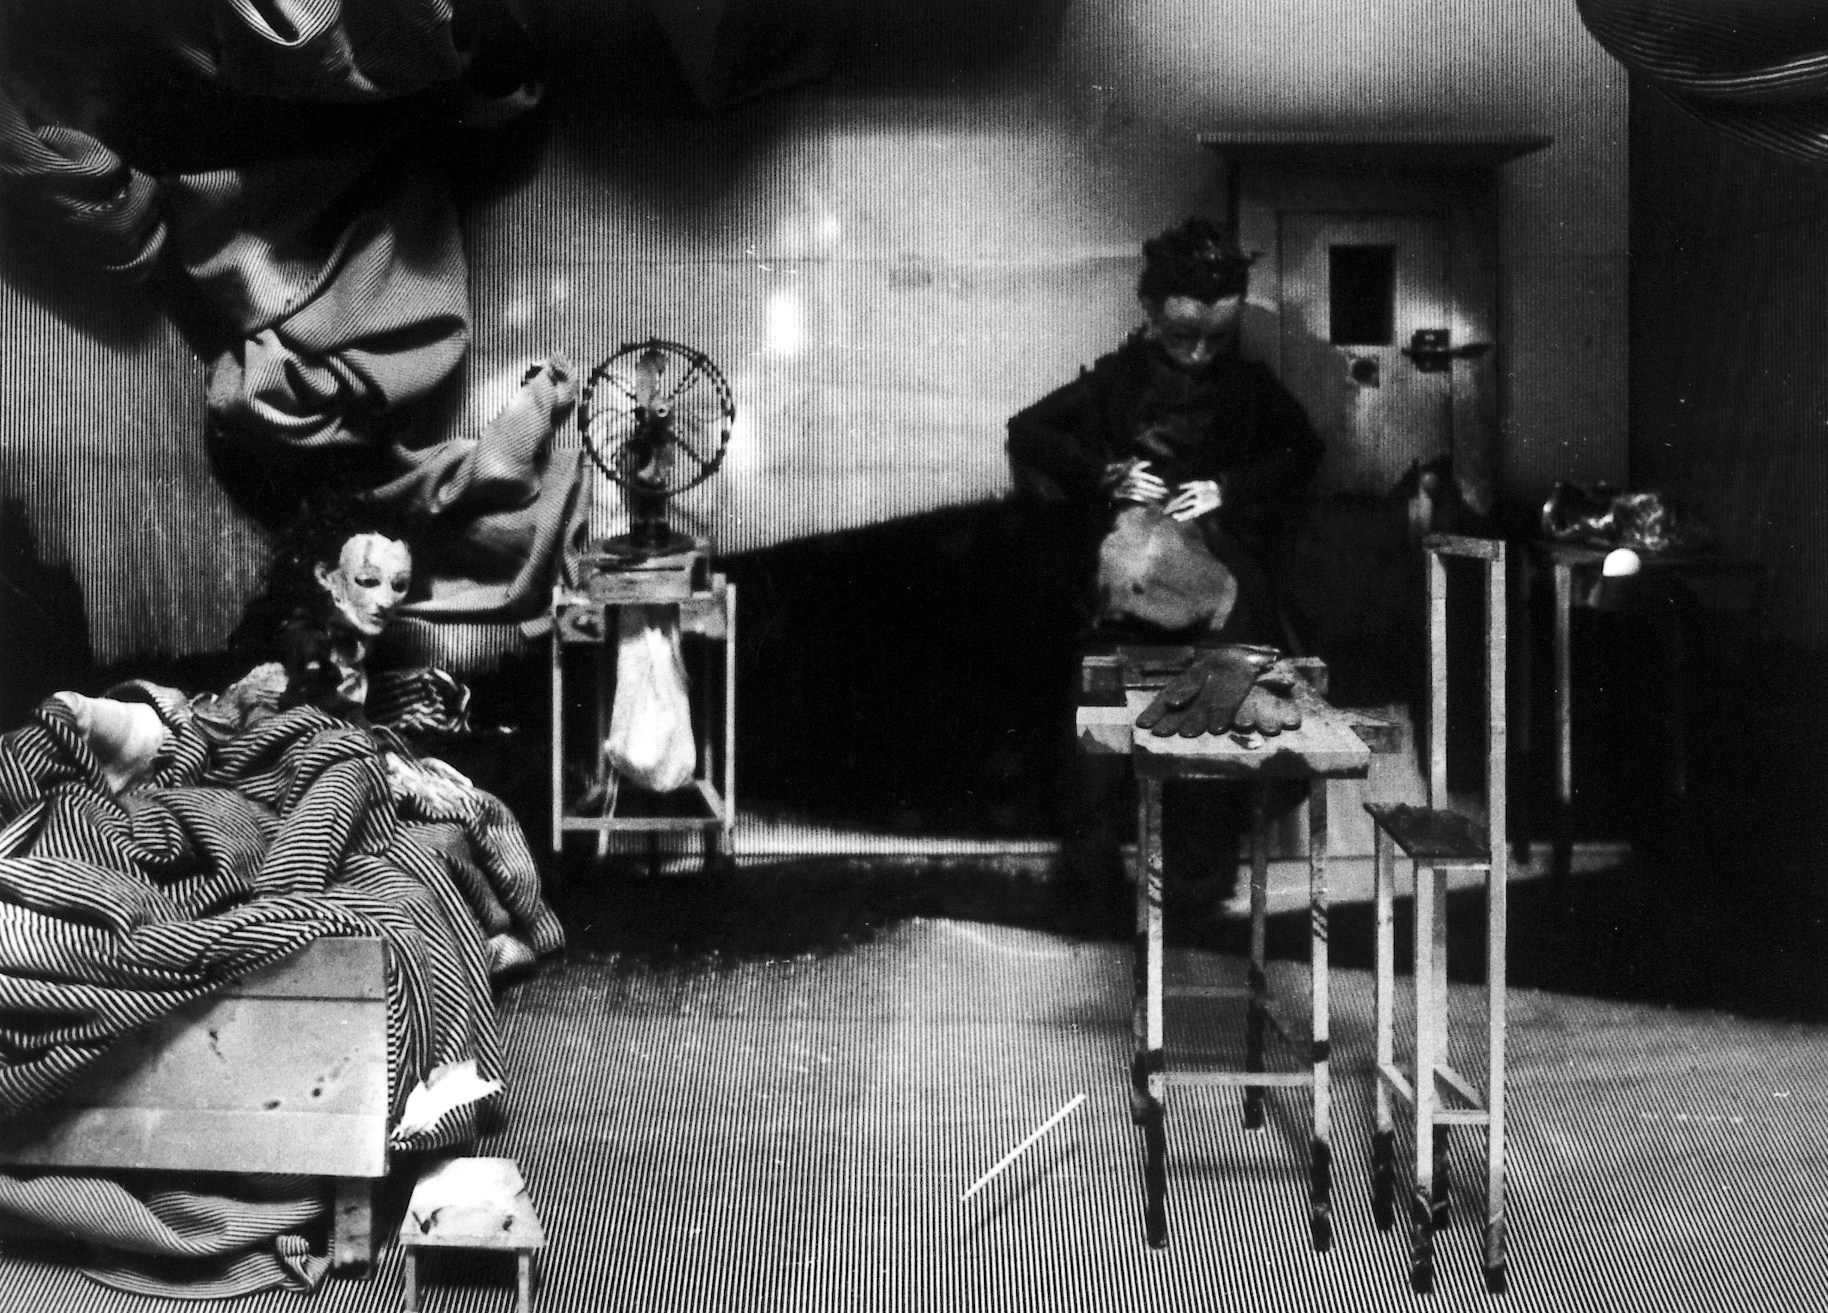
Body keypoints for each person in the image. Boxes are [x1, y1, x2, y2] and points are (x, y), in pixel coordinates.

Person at [1006, 216, 1324, 644]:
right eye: (1182, 336)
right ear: (1152, 310)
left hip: (1216, 549)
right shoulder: (1118, 378)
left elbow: (1303, 451)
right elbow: (1027, 430)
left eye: (1217, 338)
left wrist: (1227, 488)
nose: (1198, 355)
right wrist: (1105, 474)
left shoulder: (1248, 385)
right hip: (1130, 549)